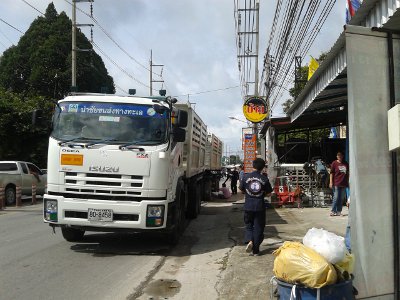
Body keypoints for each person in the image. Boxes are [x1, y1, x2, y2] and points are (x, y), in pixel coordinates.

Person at [239, 158, 273, 256]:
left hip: (248, 205)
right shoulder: (264, 179)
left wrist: (249, 194)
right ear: (263, 168)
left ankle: (250, 240)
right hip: (259, 206)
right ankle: (256, 251)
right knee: (258, 228)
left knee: (249, 225)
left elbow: (241, 190)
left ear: (253, 166)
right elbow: (269, 193)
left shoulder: (245, 177)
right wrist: (262, 194)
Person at [329, 151, 349, 216]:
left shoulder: (345, 163)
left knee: (341, 198)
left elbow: (348, 173)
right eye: (338, 156)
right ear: (337, 156)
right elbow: (331, 173)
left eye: (340, 156)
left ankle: (339, 211)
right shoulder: (334, 163)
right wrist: (331, 182)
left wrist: (348, 181)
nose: (339, 157)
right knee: (336, 197)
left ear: (342, 156)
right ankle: (333, 211)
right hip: (336, 183)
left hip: (344, 183)